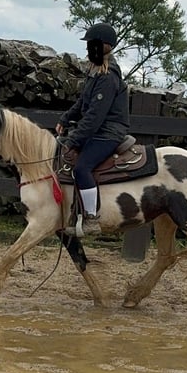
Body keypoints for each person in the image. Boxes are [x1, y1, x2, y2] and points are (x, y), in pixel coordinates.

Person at [56, 22, 130, 236]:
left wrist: (74, 140)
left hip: (108, 133)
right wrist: (66, 117)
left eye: (92, 44)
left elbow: (95, 116)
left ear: (105, 46)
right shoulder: (95, 72)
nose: (89, 48)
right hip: (99, 130)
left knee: (82, 168)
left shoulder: (108, 77)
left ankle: (91, 218)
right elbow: (83, 103)